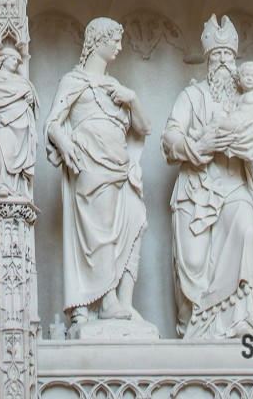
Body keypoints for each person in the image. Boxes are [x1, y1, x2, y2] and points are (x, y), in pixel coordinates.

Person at [161, 16, 253, 339]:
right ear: (207, 59)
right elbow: (168, 140)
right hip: (197, 190)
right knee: (193, 263)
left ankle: (241, 324)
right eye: (216, 55)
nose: (223, 61)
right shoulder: (191, 96)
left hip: (235, 186)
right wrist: (199, 145)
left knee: (247, 232)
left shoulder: (247, 99)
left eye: (228, 55)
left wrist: (247, 142)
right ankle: (197, 330)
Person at [45, 17, 150, 326]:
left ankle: (123, 302)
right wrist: (64, 142)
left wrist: (133, 99)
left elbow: (145, 127)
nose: (119, 46)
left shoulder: (117, 88)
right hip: (91, 166)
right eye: (114, 40)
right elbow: (52, 122)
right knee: (101, 233)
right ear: (98, 42)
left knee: (137, 223)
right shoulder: (73, 80)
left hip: (121, 168)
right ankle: (105, 302)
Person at [0, 46, 39, 196]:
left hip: (22, 121)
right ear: (3, 60)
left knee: (19, 155)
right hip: (1, 122)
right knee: (2, 153)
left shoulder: (21, 81)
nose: (16, 62)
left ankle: (18, 188)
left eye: (19, 61)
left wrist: (30, 99)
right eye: (13, 59)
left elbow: (33, 101)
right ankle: (2, 185)